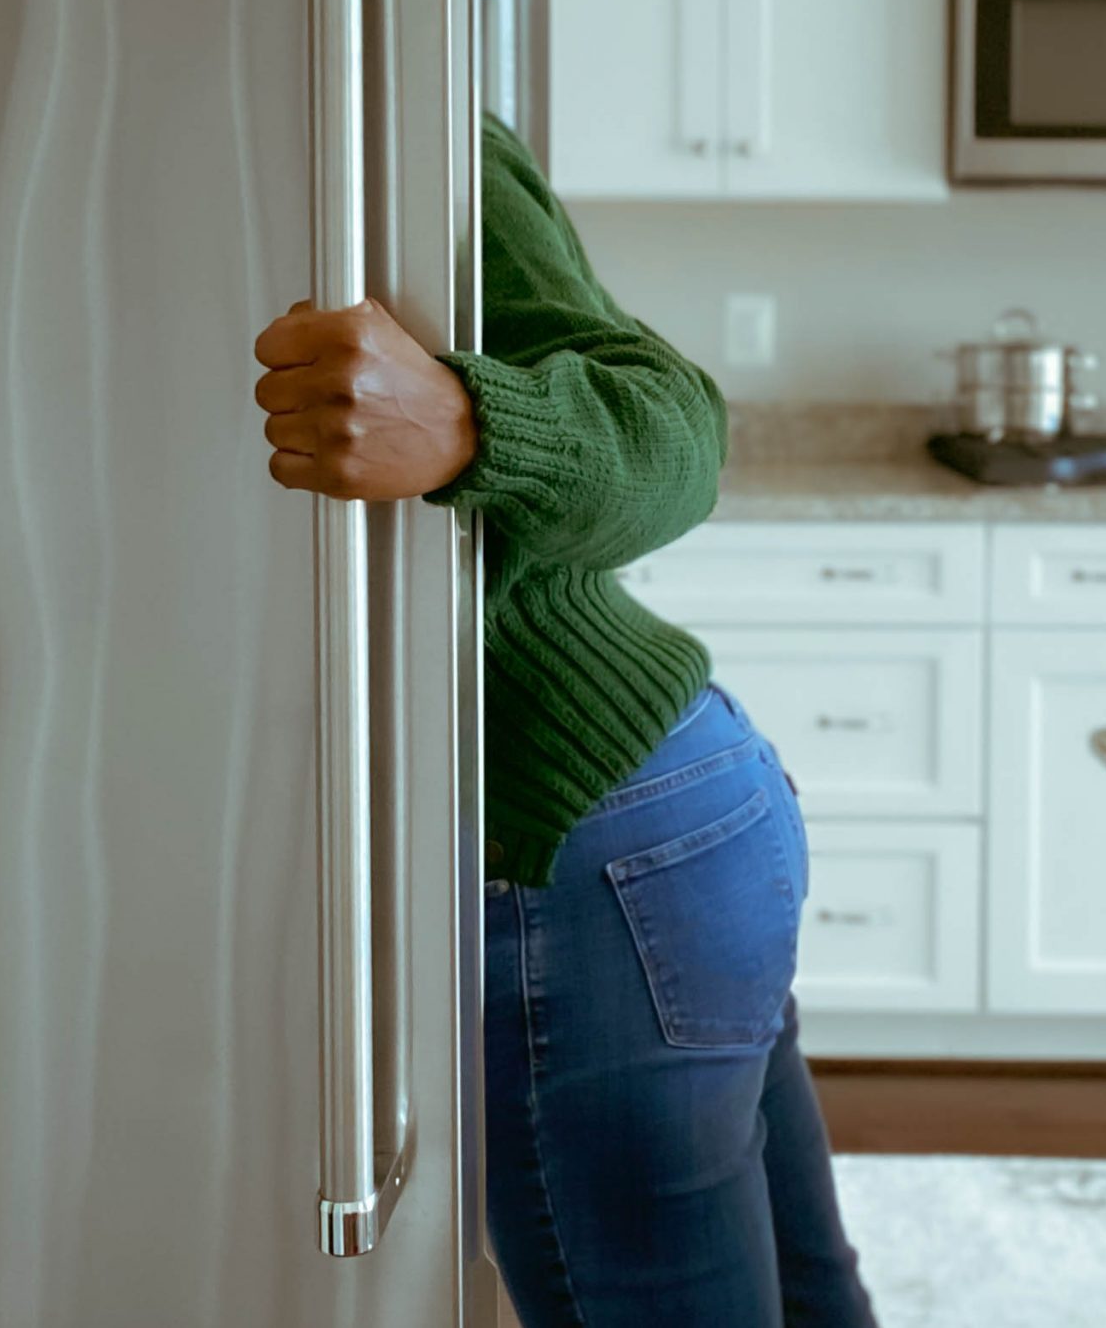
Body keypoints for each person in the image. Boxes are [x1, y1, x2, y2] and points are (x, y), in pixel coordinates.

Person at [254, 115, 877, 1327]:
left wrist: (470, 424)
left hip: (586, 844)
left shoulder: (397, 113)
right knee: (801, 1301)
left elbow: (676, 436)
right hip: (657, 826)